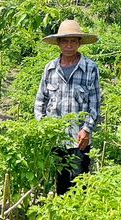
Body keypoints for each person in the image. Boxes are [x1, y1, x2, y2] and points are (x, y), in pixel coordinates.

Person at [34, 19, 101, 195]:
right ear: (58, 43)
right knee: (60, 180)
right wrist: (43, 127)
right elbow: (41, 100)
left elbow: (94, 103)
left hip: (80, 137)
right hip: (56, 137)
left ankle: (78, 217)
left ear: (79, 43)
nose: (69, 45)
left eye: (73, 41)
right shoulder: (50, 69)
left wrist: (87, 129)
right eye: (65, 41)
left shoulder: (90, 68)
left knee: (80, 181)